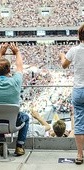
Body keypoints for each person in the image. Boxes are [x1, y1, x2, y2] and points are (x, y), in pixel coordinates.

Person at [0, 42, 29, 156]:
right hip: (13, 121)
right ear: (9, 70)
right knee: (26, 118)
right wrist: (17, 52)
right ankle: (20, 146)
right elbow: (20, 67)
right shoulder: (15, 81)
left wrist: (0, 52)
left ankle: (1, 145)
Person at [59, 24, 84, 165]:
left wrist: (62, 55)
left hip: (79, 90)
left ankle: (80, 154)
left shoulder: (74, 50)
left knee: (80, 123)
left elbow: (64, 65)